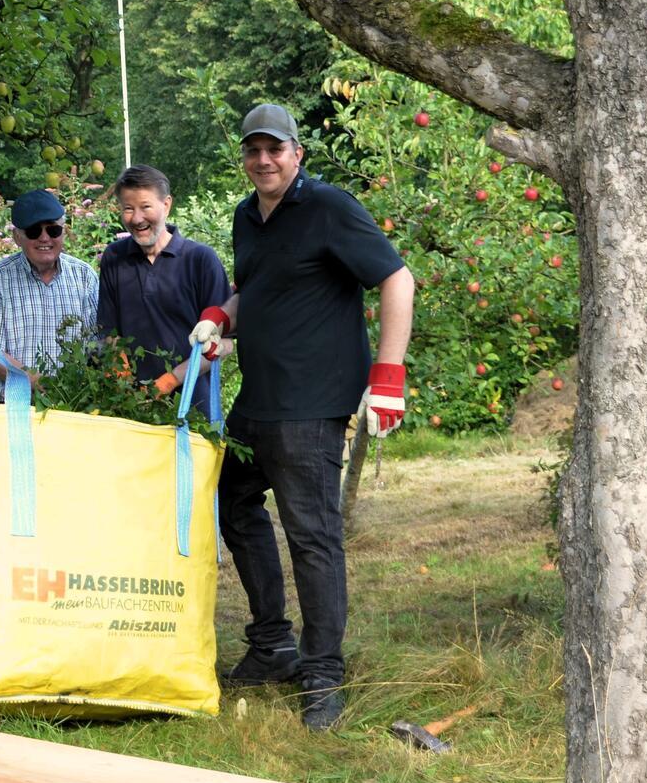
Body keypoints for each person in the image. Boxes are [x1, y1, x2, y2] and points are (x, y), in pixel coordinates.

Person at [188, 103, 415, 730]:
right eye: (254, 151)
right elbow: (255, 289)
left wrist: (388, 378)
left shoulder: (329, 207)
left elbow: (397, 278)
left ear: (297, 154)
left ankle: (321, 674)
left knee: (312, 536)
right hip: (257, 398)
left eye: (276, 150)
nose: (264, 160)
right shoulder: (246, 216)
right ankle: (271, 645)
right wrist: (221, 315)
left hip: (312, 404)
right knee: (232, 501)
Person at [96, 164, 231, 394]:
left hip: (191, 403)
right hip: (132, 404)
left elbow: (225, 344)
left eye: (145, 207)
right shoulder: (115, 257)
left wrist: (170, 381)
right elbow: (109, 332)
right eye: (128, 208)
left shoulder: (200, 260)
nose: (137, 218)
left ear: (166, 205)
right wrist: (122, 378)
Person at [0, 189, 99, 400]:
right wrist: (42, 383)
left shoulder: (84, 276)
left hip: (74, 403)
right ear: (17, 237)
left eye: (53, 230)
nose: (44, 238)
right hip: (12, 404)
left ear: (64, 232)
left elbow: (96, 344)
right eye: (33, 231)